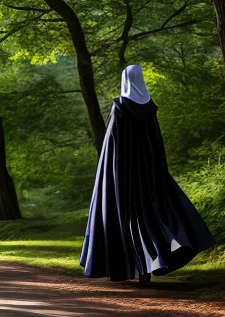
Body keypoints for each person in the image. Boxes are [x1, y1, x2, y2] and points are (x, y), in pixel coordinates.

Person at [80, 64, 214, 283]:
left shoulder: (119, 108)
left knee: (128, 222)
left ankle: (137, 268)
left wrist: (109, 178)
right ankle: (147, 268)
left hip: (123, 179)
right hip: (148, 179)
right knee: (149, 221)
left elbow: (111, 149)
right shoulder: (151, 110)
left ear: (124, 80)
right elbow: (156, 146)